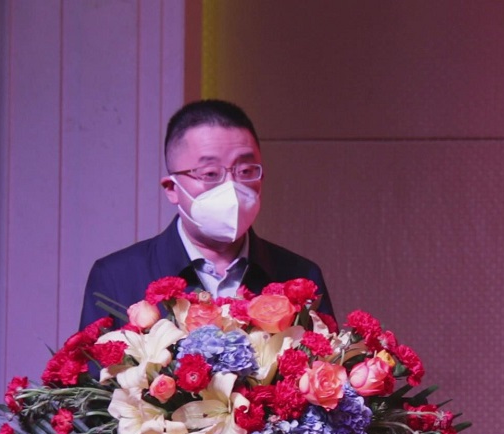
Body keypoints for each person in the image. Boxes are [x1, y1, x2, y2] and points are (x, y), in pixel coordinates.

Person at [79, 99, 333, 330]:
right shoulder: (118, 276)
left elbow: (325, 360)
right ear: (172, 189)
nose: (231, 186)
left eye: (246, 171)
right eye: (210, 174)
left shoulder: (300, 277)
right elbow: (94, 366)